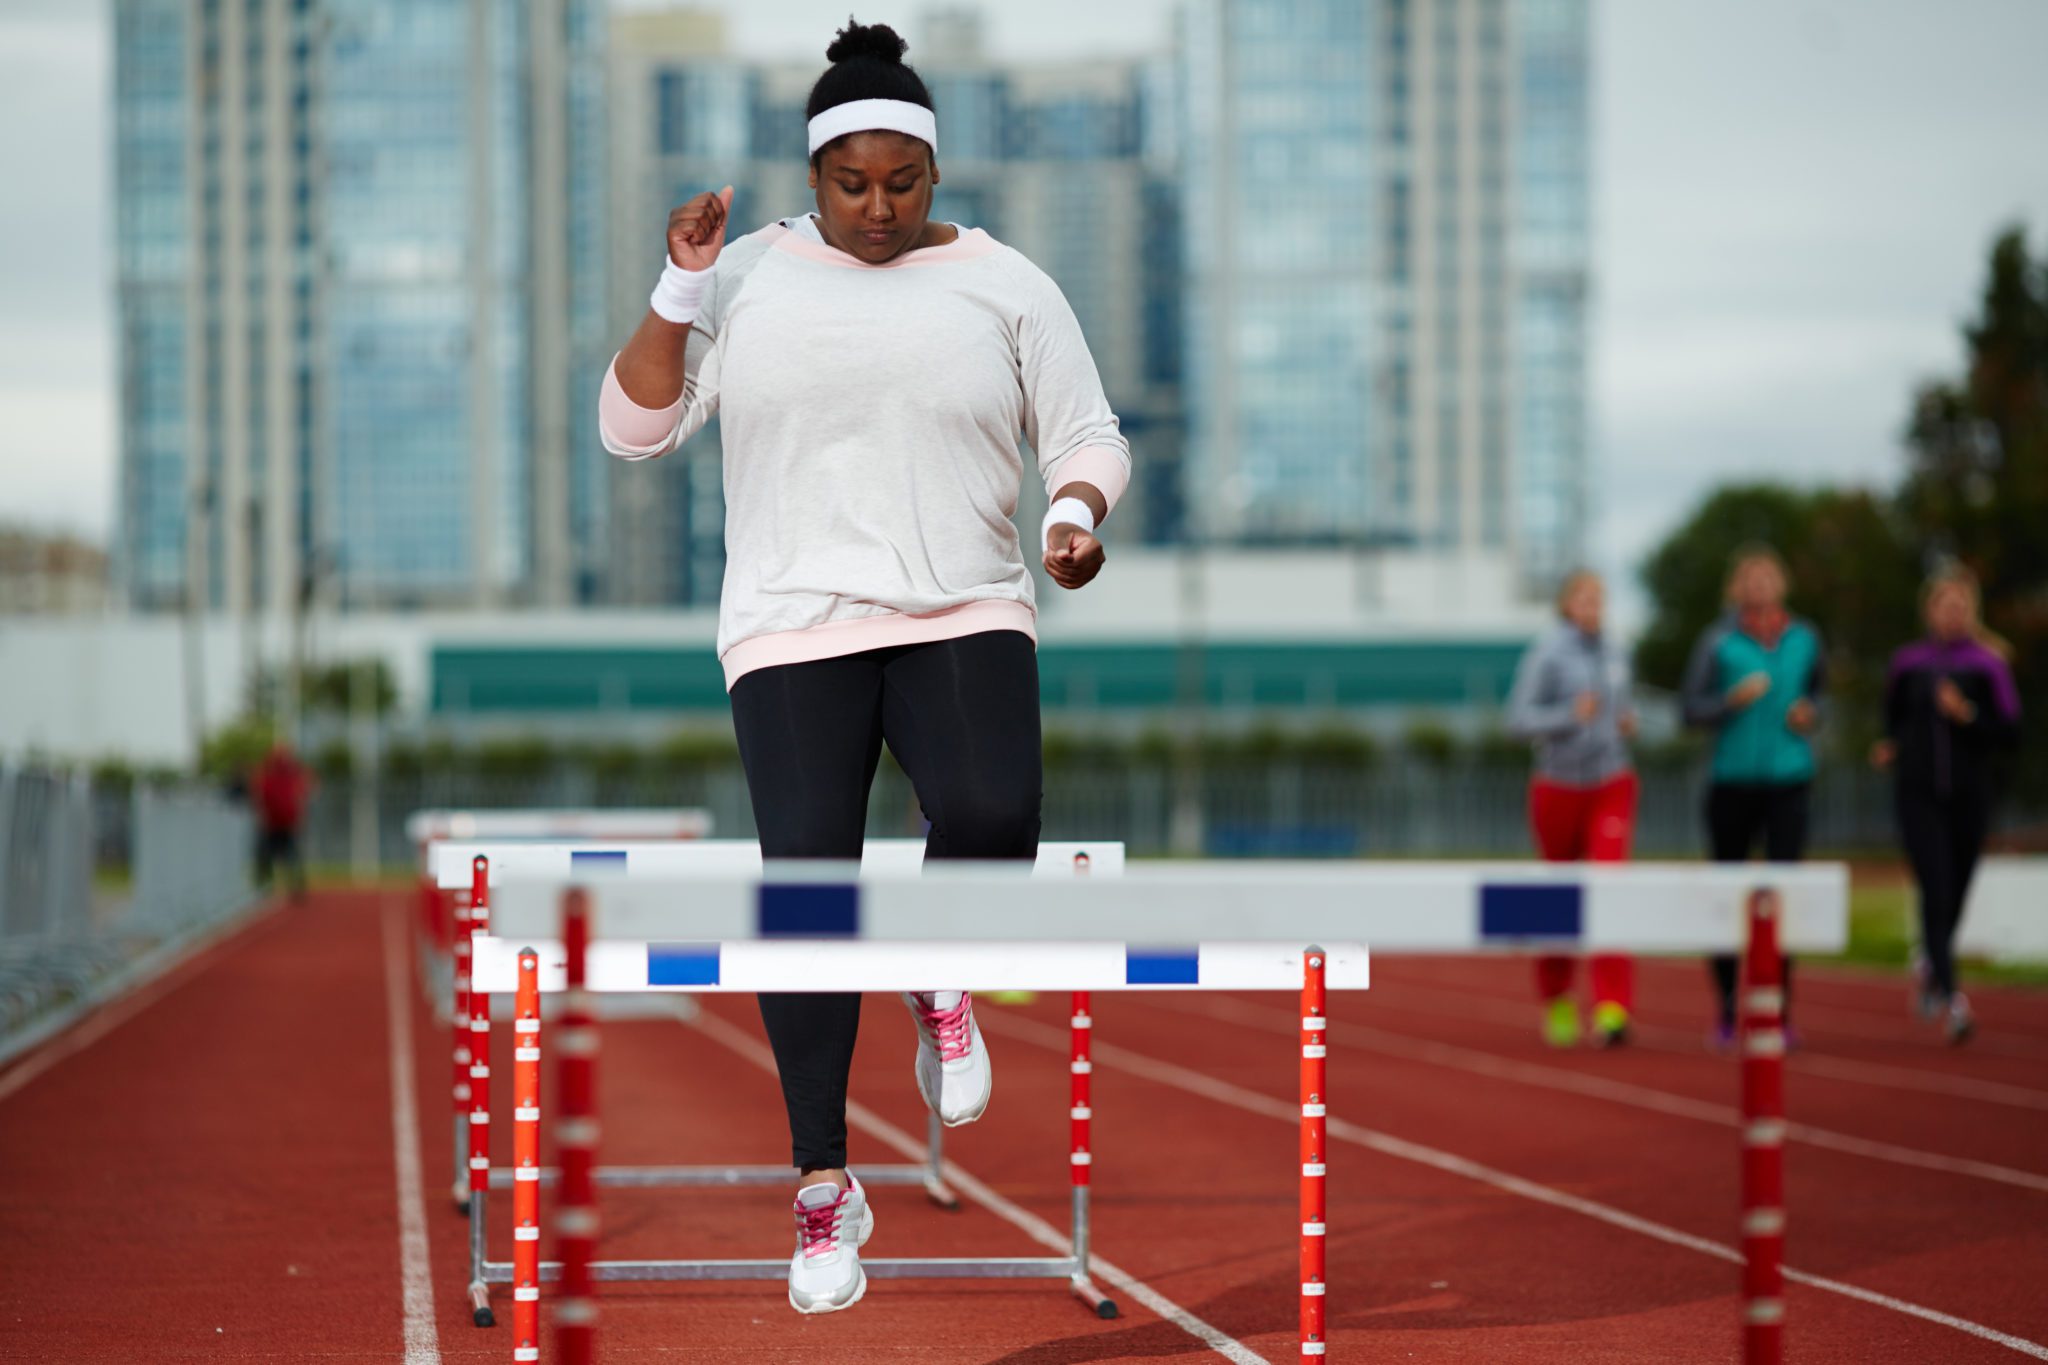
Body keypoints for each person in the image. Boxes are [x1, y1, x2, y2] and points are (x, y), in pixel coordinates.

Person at [596, 19, 1130, 1315]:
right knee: (809, 886)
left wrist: (1073, 515)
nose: (876, 208)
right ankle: (824, 1185)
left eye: (901, 183)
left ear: (937, 174)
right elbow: (632, 429)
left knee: (996, 810)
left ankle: (940, 969)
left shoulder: (1007, 284)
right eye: (851, 185)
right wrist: (678, 289)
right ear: (815, 172)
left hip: (964, 604)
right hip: (793, 623)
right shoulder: (749, 279)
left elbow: (1088, 435)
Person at [1681, 545, 1825, 1049]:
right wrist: (1729, 702)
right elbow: (1689, 710)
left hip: (1789, 780)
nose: (1759, 585)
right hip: (1731, 782)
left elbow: (1819, 695)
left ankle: (1779, 1009)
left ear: (1780, 584)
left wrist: (1811, 713)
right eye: (1750, 577)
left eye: (1768, 575)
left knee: (1783, 898)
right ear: (1737, 588)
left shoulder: (1805, 638)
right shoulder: (1717, 641)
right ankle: (1725, 1006)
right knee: (1727, 896)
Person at [1873, 565, 2021, 1044]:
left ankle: (1932, 966)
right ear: (1929, 609)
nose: (1952, 613)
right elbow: (1891, 718)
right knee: (1935, 890)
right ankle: (1954, 1000)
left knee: (1956, 892)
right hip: (1917, 794)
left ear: (1970, 611)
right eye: (1944, 604)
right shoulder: (1908, 663)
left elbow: (2011, 732)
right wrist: (1889, 745)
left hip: (1970, 793)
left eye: (1960, 605)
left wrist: (1967, 715)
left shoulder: (1989, 664)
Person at [1505, 570, 1639, 1047]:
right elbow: (1517, 720)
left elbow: (1623, 706)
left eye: (1599, 598)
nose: (1592, 605)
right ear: (1566, 604)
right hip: (1558, 785)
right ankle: (1558, 997)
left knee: (1609, 887)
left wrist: (1625, 722)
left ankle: (1611, 1006)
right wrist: (1568, 717)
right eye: (1583, 598)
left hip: (1611, 779)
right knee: (1559, 894)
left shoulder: (1617, 650)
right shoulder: (1547, 653)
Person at [251, 741, 312, 904]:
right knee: (266, 856)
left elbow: (303, 789)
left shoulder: (291, 771)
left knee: (289, 856)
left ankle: (294, 887)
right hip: (273, 822)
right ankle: (265, 886)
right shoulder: (271, 772)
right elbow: (260, 793)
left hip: (286, 822)